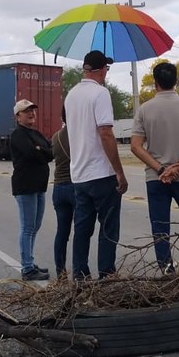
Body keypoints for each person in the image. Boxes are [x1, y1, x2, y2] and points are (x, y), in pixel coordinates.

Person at [131, 62, 179, 272]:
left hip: (156, 178)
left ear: (155, 83)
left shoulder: (144, 110)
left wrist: (161, 169)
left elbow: (136, 146)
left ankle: (167, 268)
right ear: (176, 81)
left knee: (160, 226)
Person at [65, 50, 127, 280]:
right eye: (106, 70)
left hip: (79, 174)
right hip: (101, 173)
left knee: (82, 228)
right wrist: (119, 172)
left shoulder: (71, 95)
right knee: (108, 228)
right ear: (102, 70)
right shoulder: (100, 93)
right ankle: (107, 275)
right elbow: (105, 133)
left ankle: (80, 275)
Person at [9, 99, 53, 281]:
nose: (31, 113)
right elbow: (32, 154)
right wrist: (41, 150)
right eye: (26, 111)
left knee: (35, 226)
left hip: (39, 186)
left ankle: (30, 261)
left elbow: (50, 153)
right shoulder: (18, 135)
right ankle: (27, 268)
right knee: (27, 227)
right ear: (18, 116)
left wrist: (41, 150)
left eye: (33, 110)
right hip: (25, 186)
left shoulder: (36, 134)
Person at [50, 114, 73, 279]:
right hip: (75, 186)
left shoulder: (55, 136)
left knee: (62, 232)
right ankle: (80, 271)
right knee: (81, 231)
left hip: (58, 187)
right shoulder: (77, 134)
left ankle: (60, 271)